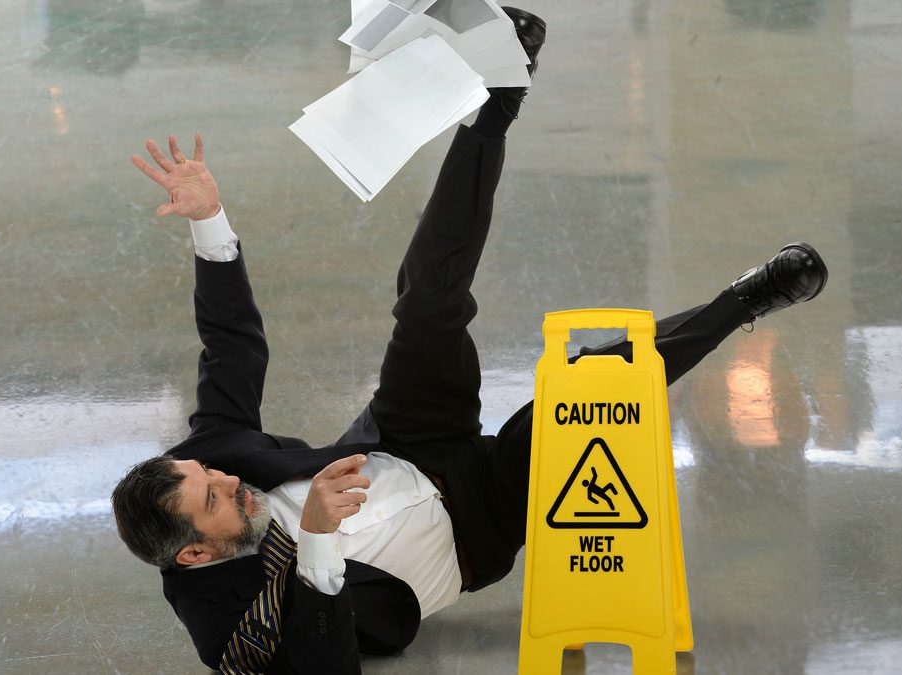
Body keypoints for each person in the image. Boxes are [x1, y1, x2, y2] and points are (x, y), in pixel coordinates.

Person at [112, 8, 827, 674]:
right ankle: (743, 300)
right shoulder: (226, 631)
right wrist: (320, 539)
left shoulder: (205, 462)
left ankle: (498, 99)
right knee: (586, 393)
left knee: (427, 298)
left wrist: (209, 222)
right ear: (196, 551)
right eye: (215, 497)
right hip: (475, 523)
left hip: (404, 439)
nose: (227, 479)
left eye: (210, 475)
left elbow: (233, 348)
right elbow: (324, 661)